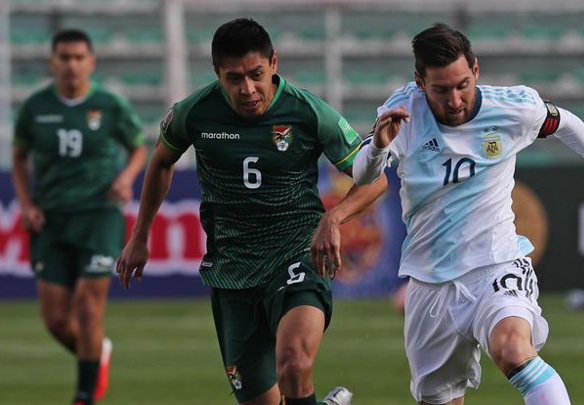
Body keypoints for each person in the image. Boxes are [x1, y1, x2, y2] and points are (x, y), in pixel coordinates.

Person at [353, 23, 584, 405]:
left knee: (512, 349)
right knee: (440, 399)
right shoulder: (403, 111)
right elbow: (362, 175)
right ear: (421, 82)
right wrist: (378, 146)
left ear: (475, 70)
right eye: (441, 90)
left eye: (463, 85)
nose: (455, 100)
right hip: (430, 283)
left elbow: (566, 123)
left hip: (495, 264)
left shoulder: (512, 108)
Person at [115, 18, 386, 405]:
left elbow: (375, 180)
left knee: (294, 363)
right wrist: (141, 235)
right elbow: (160, 161)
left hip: (296, 256)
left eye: (256, 74)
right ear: (217, 73)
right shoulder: (195, 112)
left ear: (274, 63)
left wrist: (333, 217)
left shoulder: (309, 112)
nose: (247, 89)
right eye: (234, 78)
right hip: (233, 270)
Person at [11, 29, 147, 405]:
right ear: (53, 62)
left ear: (91, 62)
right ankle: (98, 352)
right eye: (64, 57)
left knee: (88, 307)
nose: (71, 65)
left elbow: (138, 147)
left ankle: (84, 396)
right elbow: (19, 155)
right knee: (56, 321)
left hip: (98, 216)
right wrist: (26, 203)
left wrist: (126, 177)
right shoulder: (35, 107)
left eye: (78, 57)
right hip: (51, 218)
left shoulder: (110, 104)